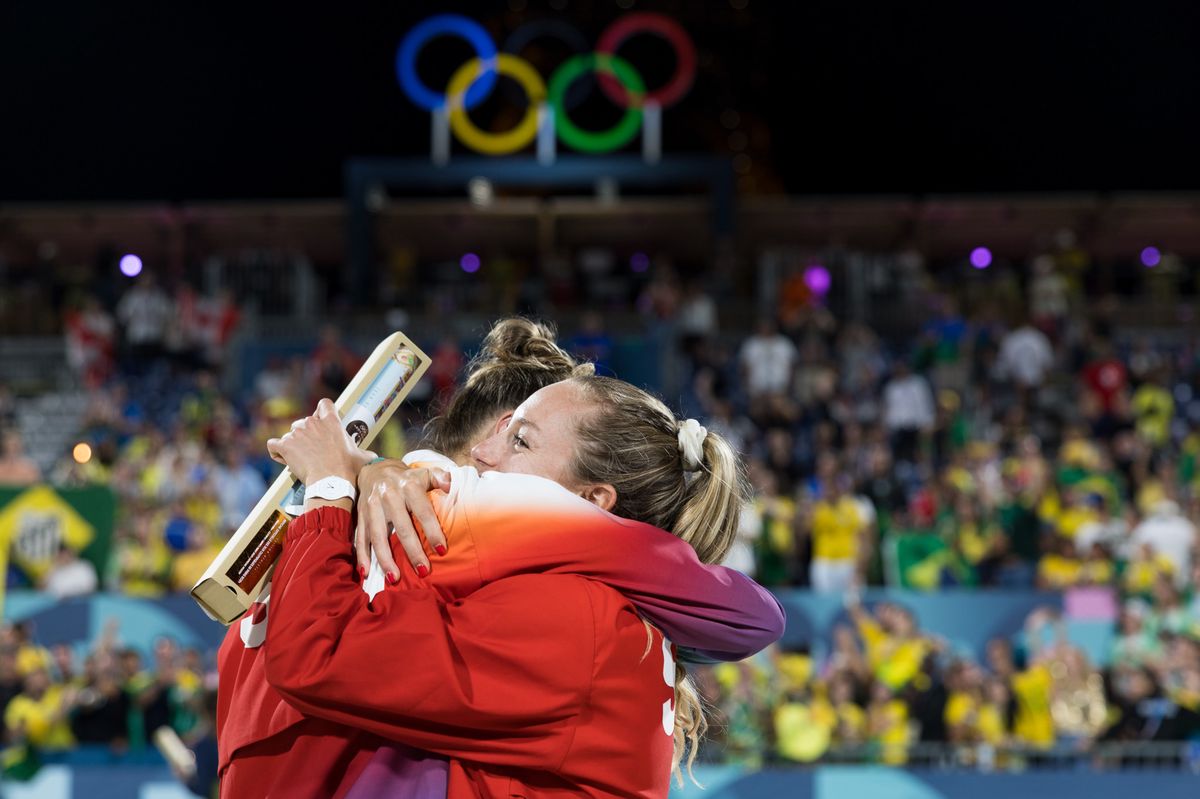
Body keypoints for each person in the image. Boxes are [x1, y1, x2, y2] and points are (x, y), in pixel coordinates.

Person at [217, 319, 784, 797]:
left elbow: (318, 654)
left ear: (591, 505)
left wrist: (332, 491)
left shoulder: (574, 616)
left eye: (521, 442)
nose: (478, 465)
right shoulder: (582, 605)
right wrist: (368, 477)